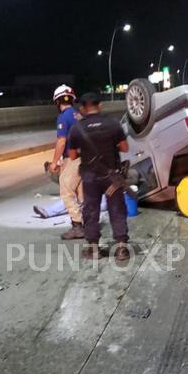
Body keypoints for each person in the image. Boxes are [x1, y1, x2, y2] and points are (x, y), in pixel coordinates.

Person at [68, 92, 130, 260]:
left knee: (91, 210)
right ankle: (122, 248)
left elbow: (72, 156)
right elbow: (125, 148)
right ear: (100, 105)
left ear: (82, 108)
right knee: (117, 209)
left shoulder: (77, 128)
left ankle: (94, 249)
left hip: (90, 177)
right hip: (112, 177)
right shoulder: (113, 124)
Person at [41, 84, 84, 239]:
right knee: (81, 194)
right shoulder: (78, 115)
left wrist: (54, 163)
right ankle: (88, 223)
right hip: (85, 157)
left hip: (73, 159)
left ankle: (78, 226)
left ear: (58, 102)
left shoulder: (63, 117)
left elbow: (61, 141)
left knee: (66, 192)